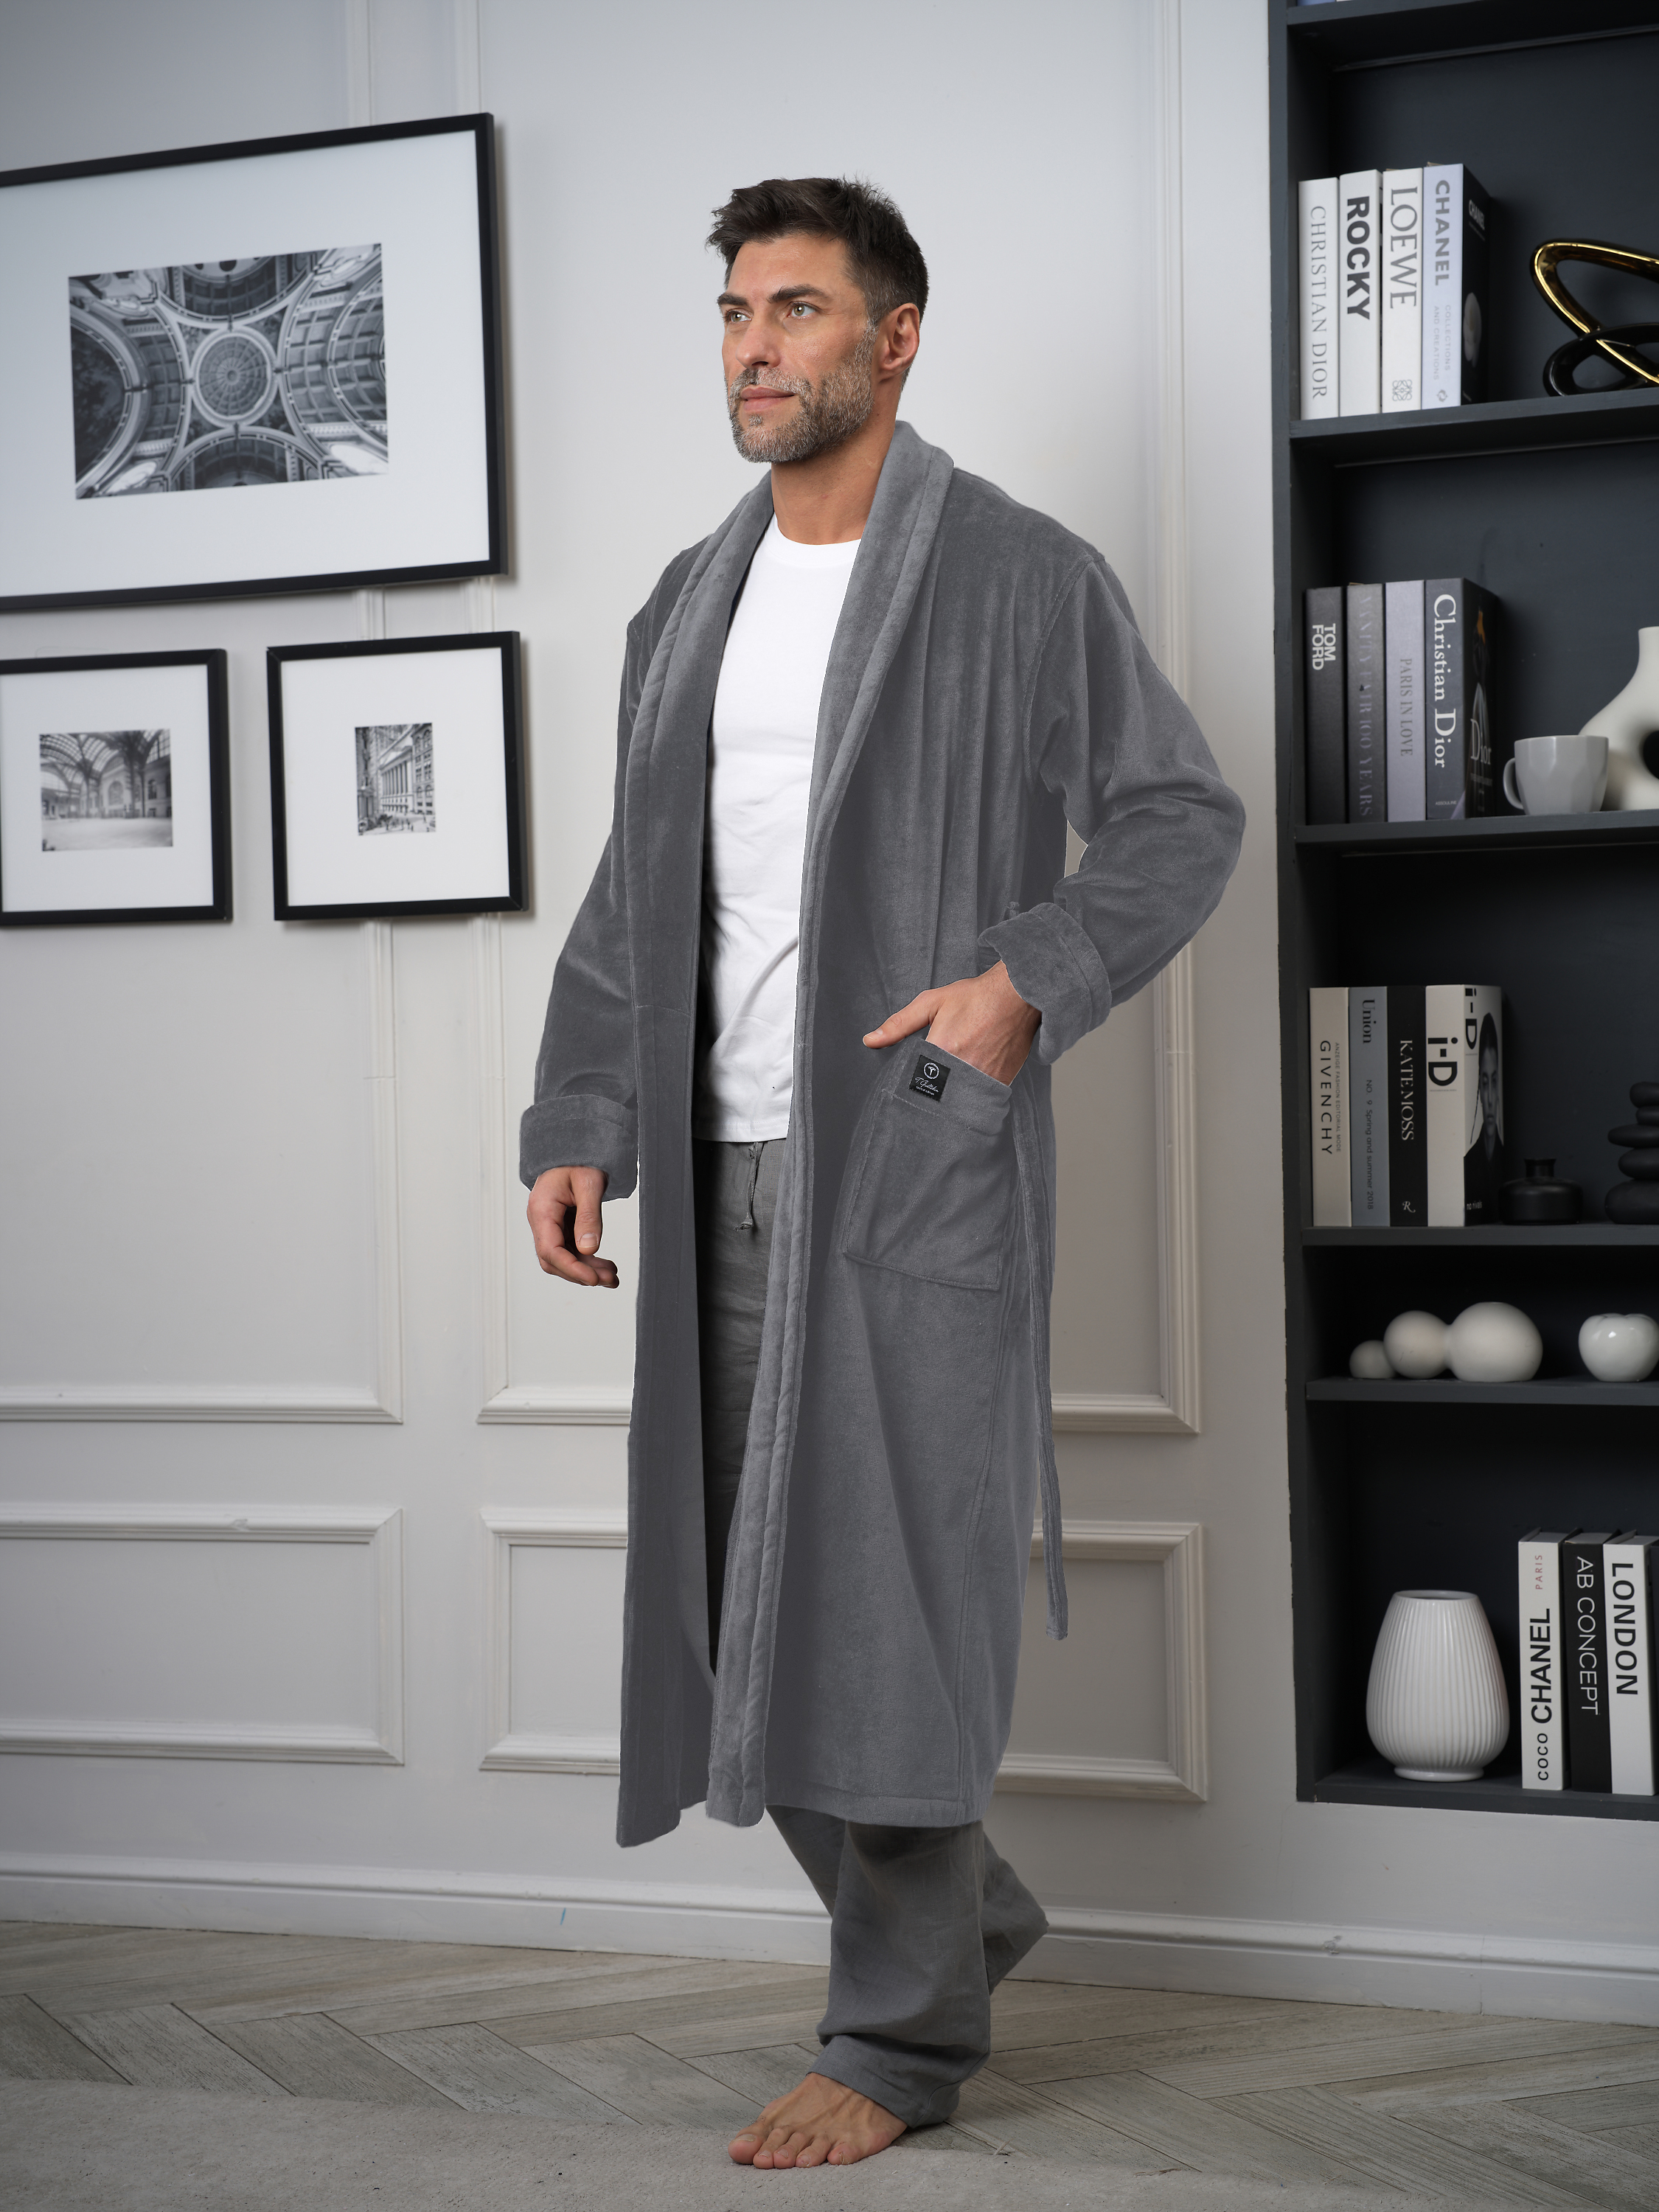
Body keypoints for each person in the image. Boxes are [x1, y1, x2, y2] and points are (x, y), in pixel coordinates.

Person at [521, 177, 1244, 2170]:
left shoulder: (1016, 574)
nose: (754, 347)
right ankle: (964, 1922)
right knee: (727, 1615)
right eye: (734, 312)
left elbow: (1181, 815)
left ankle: (903, 2040)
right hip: (713, 1164)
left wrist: (1023, 985)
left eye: (798, 309)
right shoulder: (688, 600)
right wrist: (579, 1117)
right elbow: (632, 896)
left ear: (893, 338)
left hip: (906, 1160)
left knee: (883, 1612)